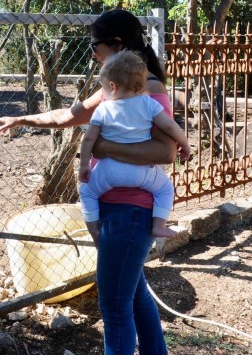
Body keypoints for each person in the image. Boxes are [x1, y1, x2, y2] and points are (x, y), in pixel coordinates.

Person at [0, 9, 173, 355]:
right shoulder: (117, 87)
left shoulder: (149, 88)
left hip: (131, 209)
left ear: (117, 45)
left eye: (95, 46)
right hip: (116, 206)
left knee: (114, 304)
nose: (92, 54)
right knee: (133, 289)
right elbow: (68, 116)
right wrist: (22, 119)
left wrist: (101, 148)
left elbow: (166, 151)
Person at [78, 50, 191, 241]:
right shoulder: (149, 104)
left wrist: (84, 166)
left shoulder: (103, 109)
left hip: (108, 171)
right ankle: (159, 226)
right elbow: (170, 126)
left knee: (87, 192)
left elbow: (88, 139)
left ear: (112, 86)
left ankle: (95, 232)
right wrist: (185, 144)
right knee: (165, 189)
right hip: (142, 172)